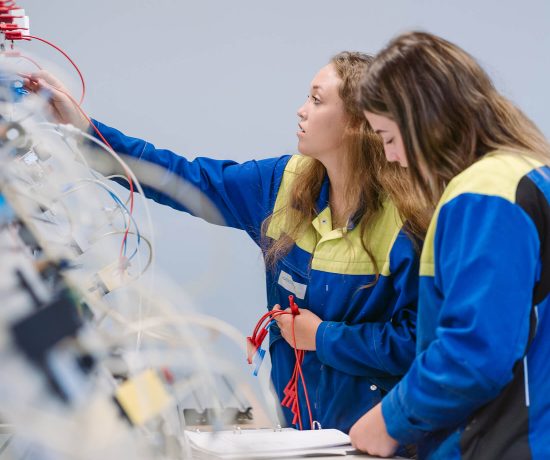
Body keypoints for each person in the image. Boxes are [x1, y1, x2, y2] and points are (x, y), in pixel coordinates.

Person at [27, 52, 423, 434]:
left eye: (317, 101)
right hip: (300, 434)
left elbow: (422, 343)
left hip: (380, 438)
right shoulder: (280, 184)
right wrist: (84, 131)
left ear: (357, 123)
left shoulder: (408, 222)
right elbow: (180, 177)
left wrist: (323, 338)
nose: (301, 110)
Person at [349, 31, 550, 459]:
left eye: (387, 137)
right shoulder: (532, 176)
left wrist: (390, 418)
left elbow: (475, 353)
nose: (391, 158)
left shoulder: (484, 194)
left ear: (425, 120)